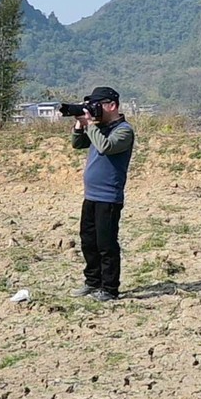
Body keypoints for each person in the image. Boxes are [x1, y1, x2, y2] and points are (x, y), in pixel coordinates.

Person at [70, 87, 135, 302]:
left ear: (112, 105)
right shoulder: (98, 128)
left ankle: (109, 288)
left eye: (97, 105)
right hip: (91, 196)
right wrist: (80, 124)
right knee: (88, 241)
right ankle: (92, 281)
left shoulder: (124, 131)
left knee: (106, 244)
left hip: (109, 197)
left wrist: (91, 125)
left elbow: (105, 147)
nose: (94, 110)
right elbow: (77, 144)